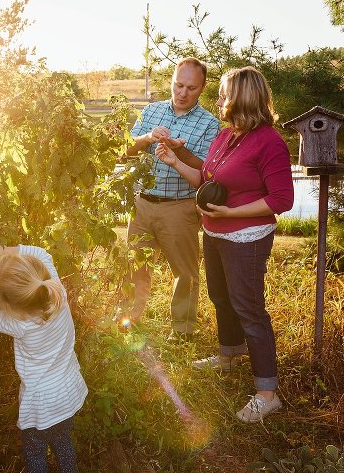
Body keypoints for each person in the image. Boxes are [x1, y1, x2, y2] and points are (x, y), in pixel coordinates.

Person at [155, 66, 293, 422]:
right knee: (221, 297)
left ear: (240, 98)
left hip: (246, 237)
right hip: (215, 233)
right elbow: (205, 177)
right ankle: (229, 355)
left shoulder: (269, 141)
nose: (217, 100)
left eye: (222, 94)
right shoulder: (228, 135)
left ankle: (267, 392)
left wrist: (232, 213)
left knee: (249, 309)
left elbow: (281, 199)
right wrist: (174, 161)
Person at [124, 57, 220, 340]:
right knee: (135, 265)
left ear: (202, 88)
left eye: (191, 87)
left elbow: (206, 171)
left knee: (185, 273)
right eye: (178, 85)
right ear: (172, 81)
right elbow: (125, 151)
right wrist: (147, 137)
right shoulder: (151, 111)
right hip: (142, 203)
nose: (182, 92)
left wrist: (178, 152)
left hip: (179, 206)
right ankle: (130, 320)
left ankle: (182, 330)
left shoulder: (208, 124)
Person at [0, 243, 88, 473]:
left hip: (40, 405)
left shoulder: (19, 323)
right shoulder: (57, 291)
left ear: (9, 303)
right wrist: (11, 253)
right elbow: (43, 254)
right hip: (67, 396)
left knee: (35, 453)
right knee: (63, 442)